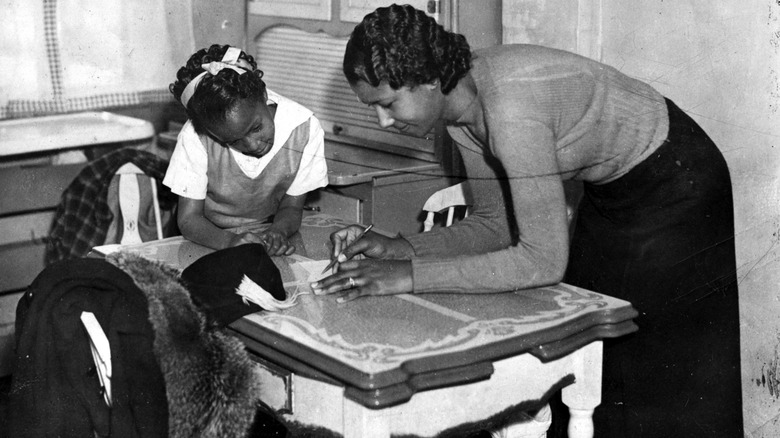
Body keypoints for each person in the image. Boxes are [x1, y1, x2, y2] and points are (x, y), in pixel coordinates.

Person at [311, 4, 742, 437]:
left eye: (388, 103)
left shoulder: (509, 114)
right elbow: (494, 225)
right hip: (615, 189)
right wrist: (402, 248)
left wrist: (408, 276)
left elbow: (542, 262)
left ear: (427, 79)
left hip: (678, 180)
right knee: (594, 350)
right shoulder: (460, 109)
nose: (384, 121)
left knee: (662, 374)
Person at [165, 44, 328, 255]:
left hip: (265, 231)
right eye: (233, 141)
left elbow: (291, 207)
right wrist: (229, 242)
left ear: (263, 95)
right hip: (206, 237)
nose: (253, 145)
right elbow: (189, 219)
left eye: (256, 128)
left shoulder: (303, 127)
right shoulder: (195, 135)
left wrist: (277, 232)